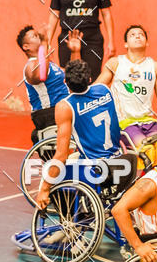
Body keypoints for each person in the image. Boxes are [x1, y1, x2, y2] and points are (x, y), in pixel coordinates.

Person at [35, 59, 122, 210]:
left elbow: (61, 156)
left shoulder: (65, 106)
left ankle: (66, 213)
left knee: (50, 169)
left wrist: (45, 188)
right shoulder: (104, 89)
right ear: (89, 79)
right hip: (118, 161)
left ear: (65, 83)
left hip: (94, 169)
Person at [96, 23, 157, 148]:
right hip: (124, 123)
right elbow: (96, 89)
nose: (137, 37)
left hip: (148, 121)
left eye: (141, 35)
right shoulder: (115, 63)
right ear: (125, 44)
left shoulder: (155, 67)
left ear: (147, 43)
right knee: (145, 148)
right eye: (132, 35)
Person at [46, 0, 115, 81]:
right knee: (69, 77)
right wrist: (48, 42)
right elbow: (54, 15)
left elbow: (106, 14)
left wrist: (111, 41)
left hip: (92, 37)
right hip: (67, 37)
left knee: (93, 77)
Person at [16, 24, 70, 142]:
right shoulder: (30, 66)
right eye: (35, 36)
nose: (39, 37)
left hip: (62, 109)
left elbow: (74, 76)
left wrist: (75, 51)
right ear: (26, 46)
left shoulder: (51, 64)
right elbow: (41, 75)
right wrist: (44, 43)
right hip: (49, 113)